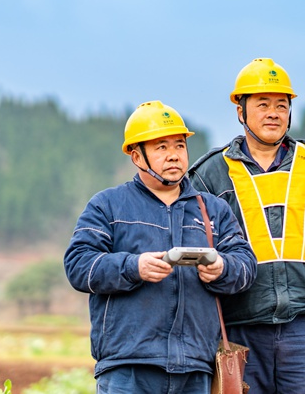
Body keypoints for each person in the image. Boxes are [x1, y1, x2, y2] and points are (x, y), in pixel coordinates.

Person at [189, 58, 305, 394]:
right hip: (238, 327)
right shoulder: (210, 174)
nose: (273, 113)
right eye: (263, 104)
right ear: (240, 112)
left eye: (281, 105)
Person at [64, 100, 257, 394]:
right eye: (161, 147)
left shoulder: (213, 210)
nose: (174, 155)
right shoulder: (107, 205)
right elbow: (78, 266)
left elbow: (246, 264)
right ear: (136, 156)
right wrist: (133, 267)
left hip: (195, 368)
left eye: (179, 145)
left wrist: (222, 268)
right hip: (128, 369)